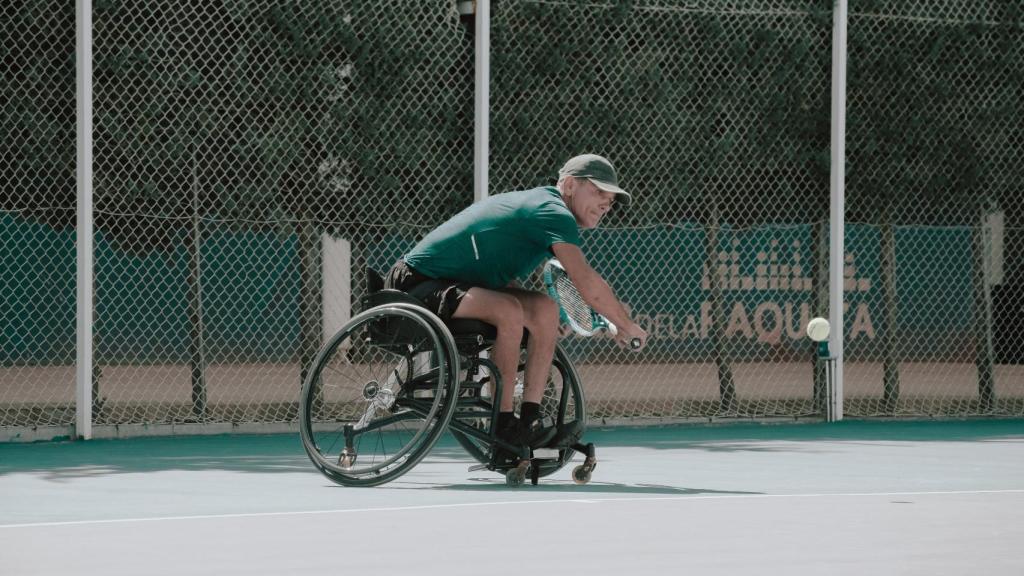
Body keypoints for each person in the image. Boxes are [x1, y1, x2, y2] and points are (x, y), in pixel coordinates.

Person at [384, 153, 648, 454]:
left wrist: (538, 324)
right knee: (509, 310)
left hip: (460, 285)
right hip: (415, 284)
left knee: (545, 310)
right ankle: (504, 423)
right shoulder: (552, 210)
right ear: (571, 185)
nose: (606, 203)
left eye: (611, 200)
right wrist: (627, 325)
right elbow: (586, 281)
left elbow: (500, 279)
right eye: (599, 192)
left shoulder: (546, 211)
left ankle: (529, 421)